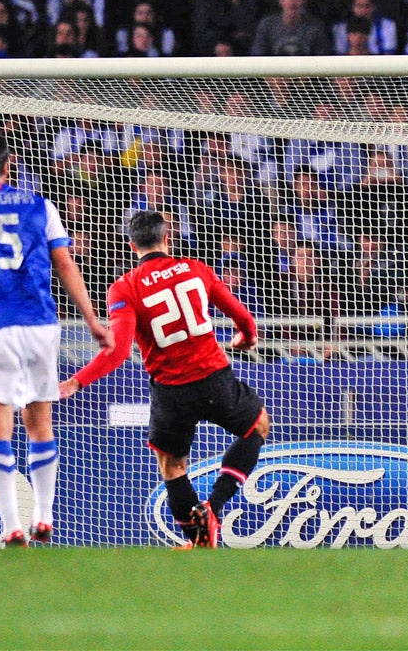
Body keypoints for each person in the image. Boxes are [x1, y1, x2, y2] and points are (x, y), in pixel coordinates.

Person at [0, 127, 113, 547]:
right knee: (41, 425)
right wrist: (91, 320)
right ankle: (45, 515)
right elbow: (66, 266)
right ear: (8, 163)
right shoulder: (40, 205)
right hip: (39, 325)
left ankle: (12, 526)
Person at [59, 211, 267, 550]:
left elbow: (119, 352)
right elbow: (242, 316)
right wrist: (246, 336)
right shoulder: (196, 269)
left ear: (132, 246)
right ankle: (213, 507)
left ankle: (200, 539)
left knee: (172, 467)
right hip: (214, 377)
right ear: (166, 238)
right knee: (257, 425)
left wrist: (76, 381)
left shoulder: (124, 287)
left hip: (171, 393)